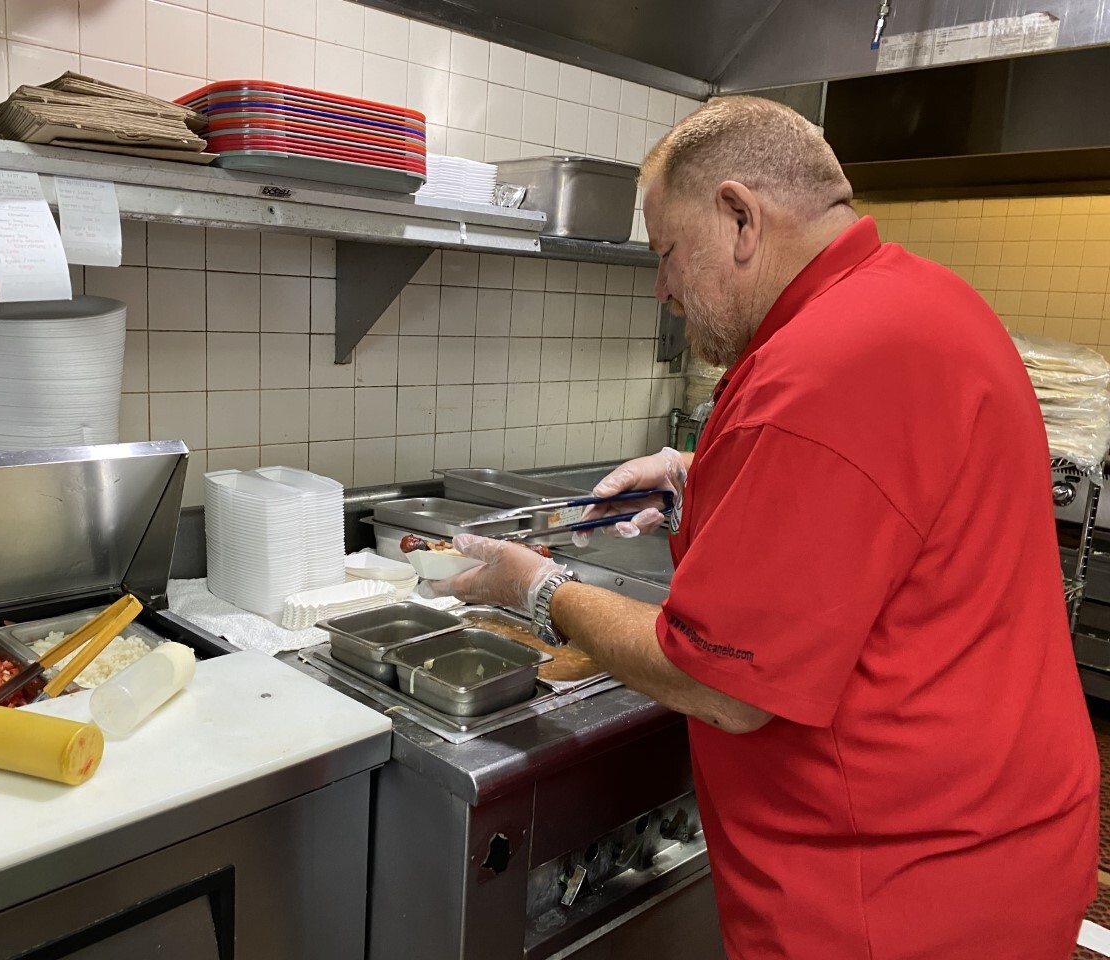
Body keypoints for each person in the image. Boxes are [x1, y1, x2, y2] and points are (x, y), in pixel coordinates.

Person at [424, 96, 1099, 959]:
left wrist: (539, 588)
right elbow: (890, 516)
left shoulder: (819, 371)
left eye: (668, 254)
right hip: (1003, 840)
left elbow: (721, 688)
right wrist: (696, 483)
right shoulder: (924, 303)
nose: (663, 290)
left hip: (890, 894)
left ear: (740, 216)